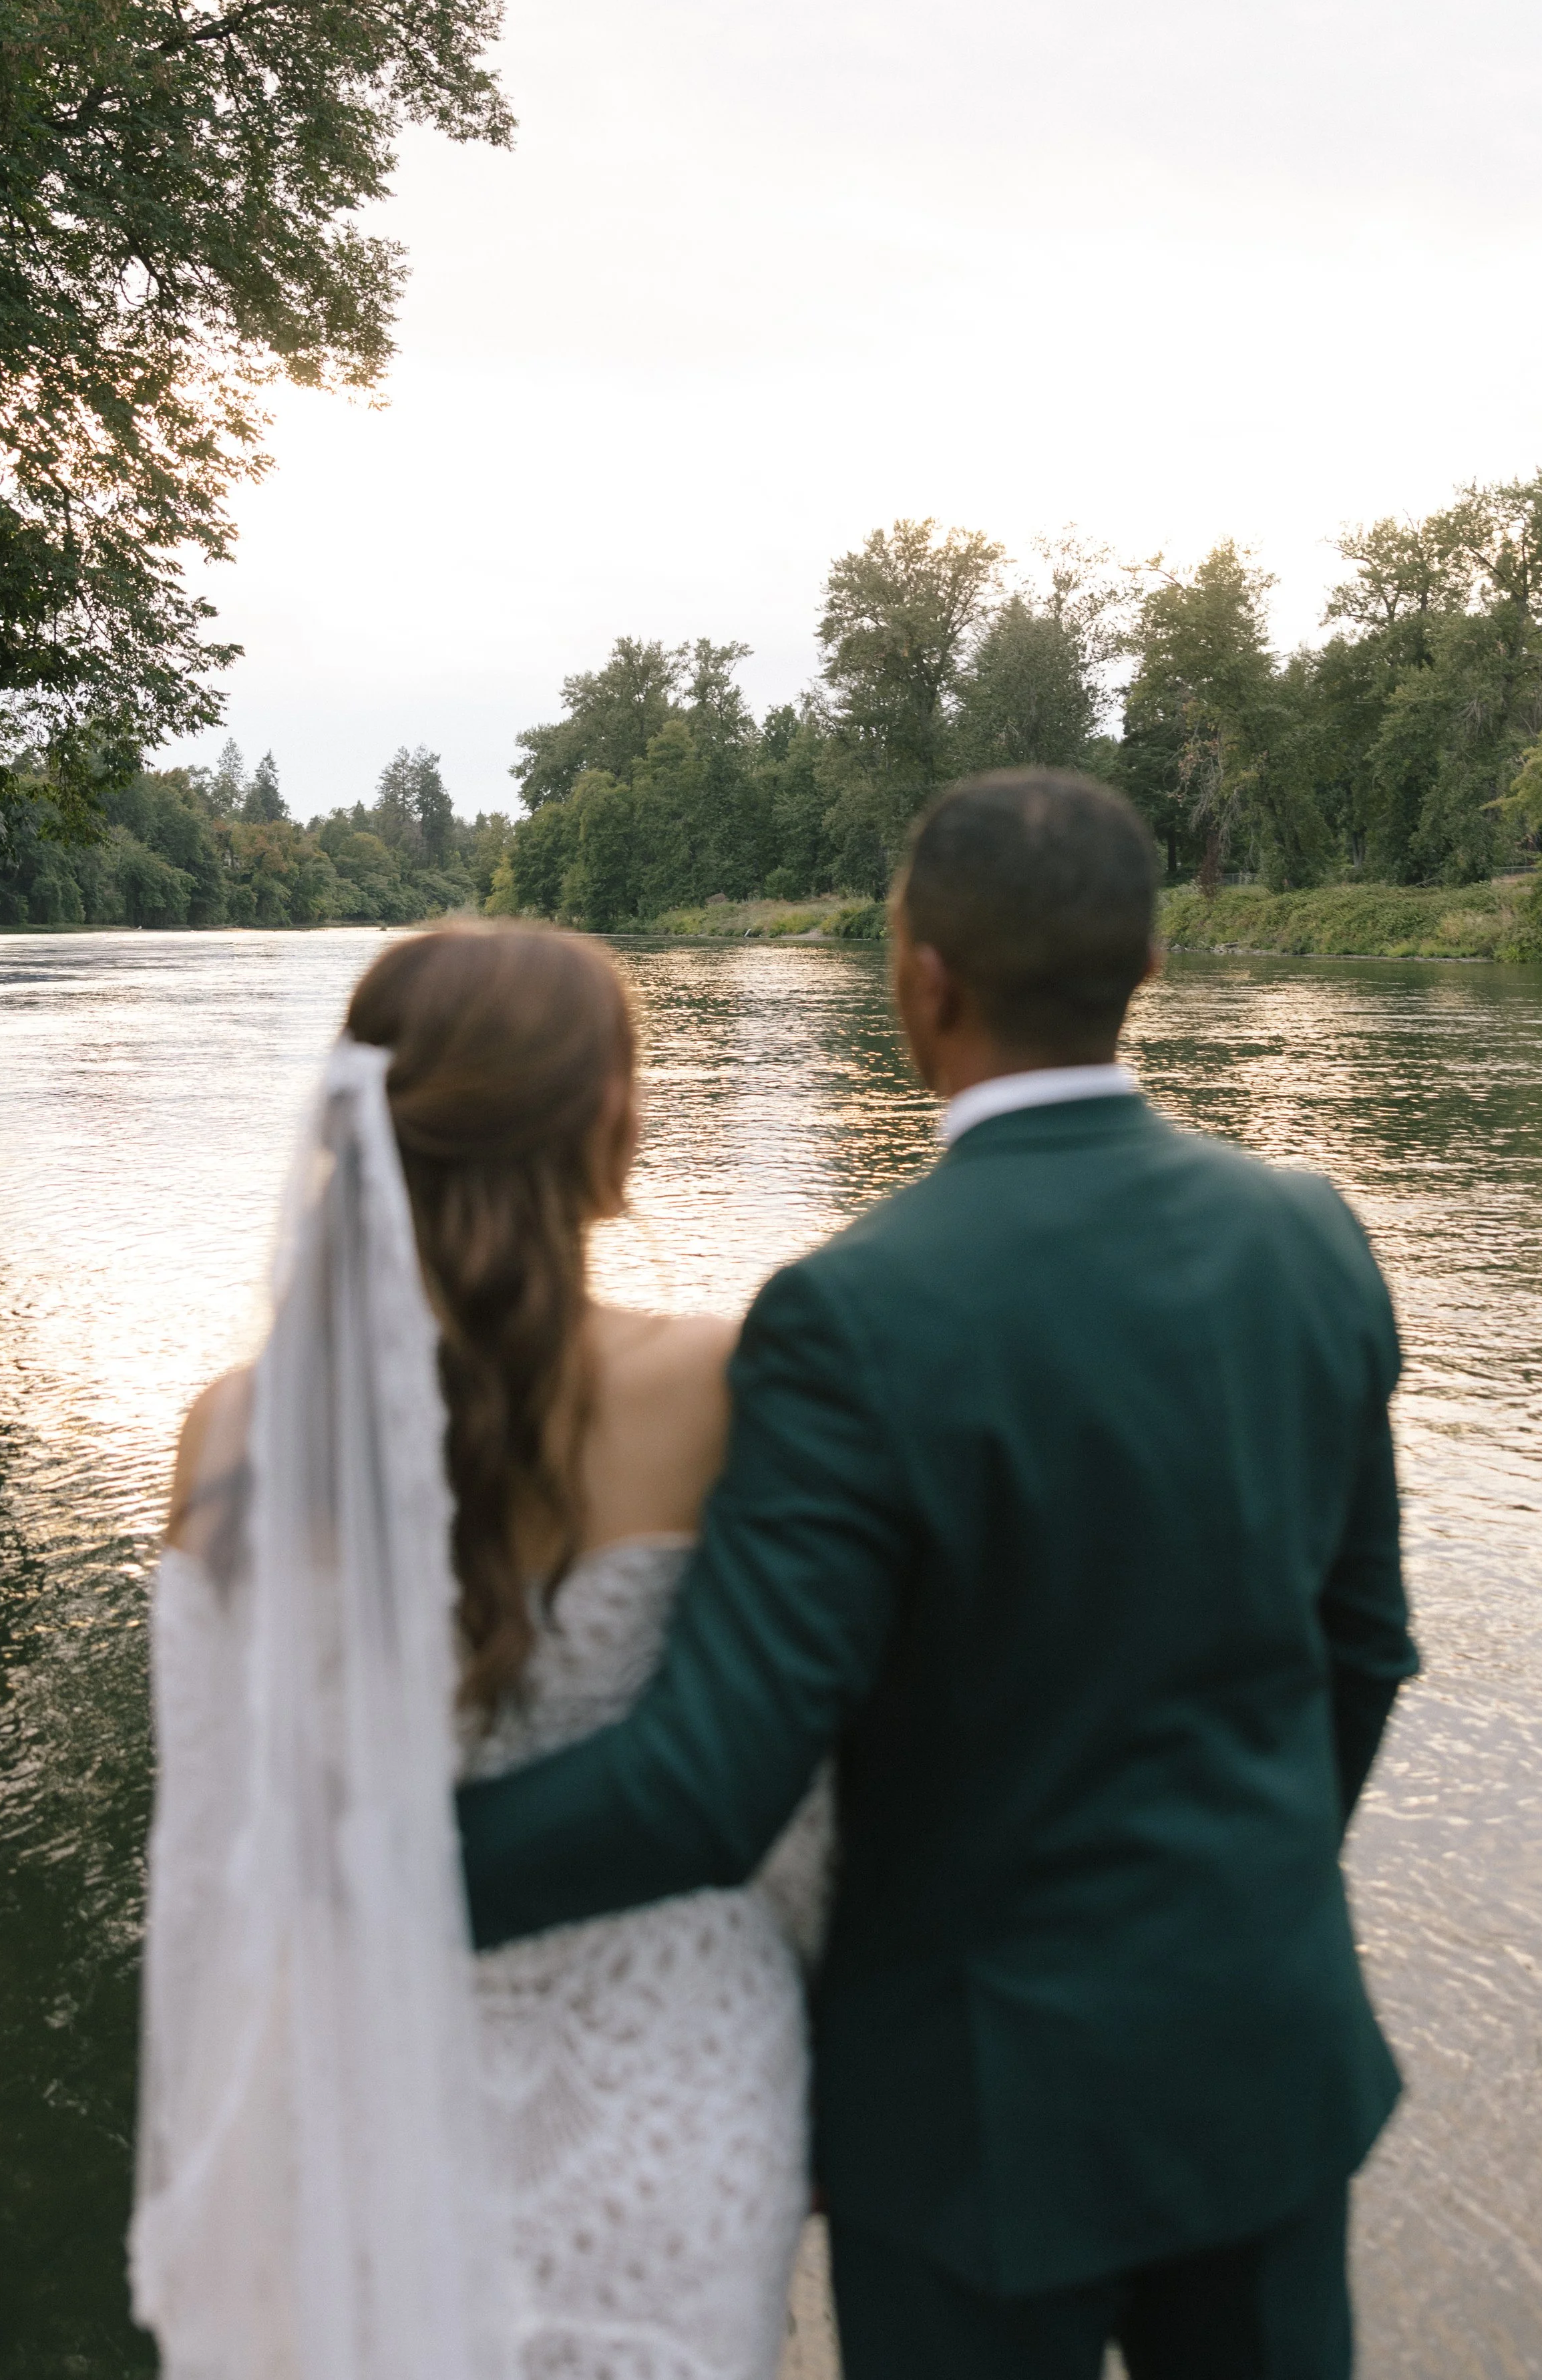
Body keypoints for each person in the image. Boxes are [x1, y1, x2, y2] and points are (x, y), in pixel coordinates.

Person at [455, 770, 1420, 2380]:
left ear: (918, 976)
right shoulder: (1309, 1233)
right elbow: (1365, 1646)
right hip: (1261, 2055)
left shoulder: (845, 1314)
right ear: (1148, 965)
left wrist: (373, 1867)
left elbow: (709, 1782)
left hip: (972, 2116)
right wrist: (1237, 1897)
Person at [133, 923, 827, 2380]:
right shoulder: (718, 1386)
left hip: (359, 2101)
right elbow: (804, 1791)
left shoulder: (228, 1437)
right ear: (607, 1117)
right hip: (674, 2086)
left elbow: (216, 1840)